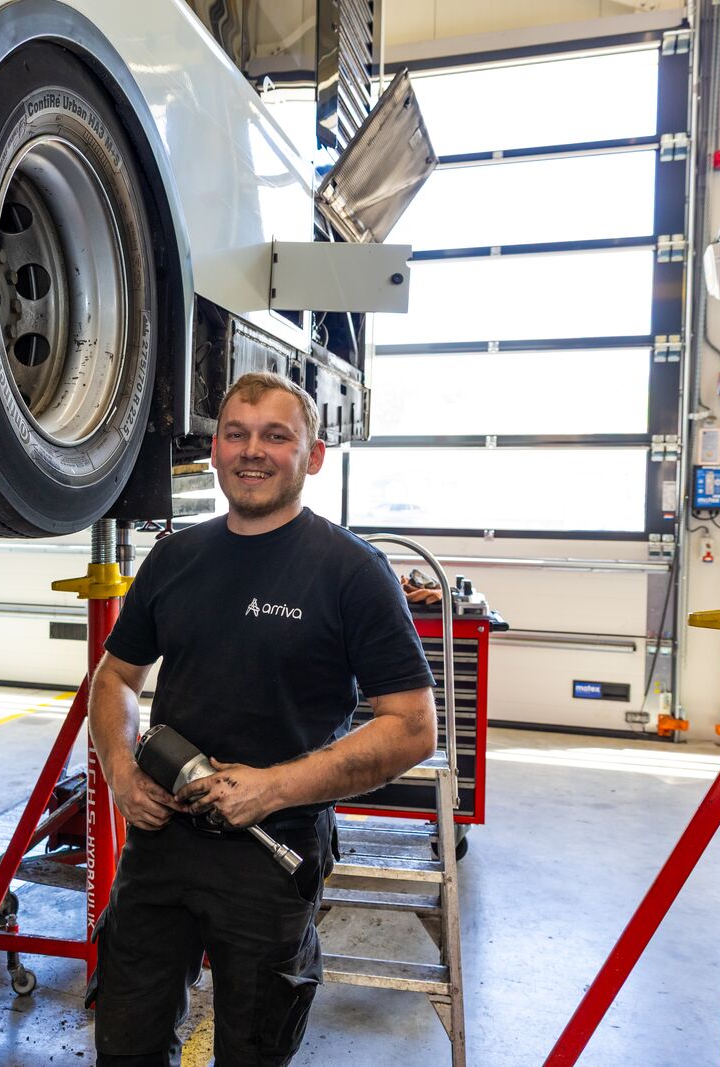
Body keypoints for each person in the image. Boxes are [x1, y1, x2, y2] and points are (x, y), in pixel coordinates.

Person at [88, 370, 438, 1066]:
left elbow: (412, 725)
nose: (253, 451)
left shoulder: (351, 571)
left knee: (252, 1051)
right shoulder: (175, 558)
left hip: (272, 853)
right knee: (125, 1045)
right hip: (160, 845)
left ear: (312, 455)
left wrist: (271, 788)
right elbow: (116, 678)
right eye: (236, 434)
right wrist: (122, 771)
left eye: (276, 436)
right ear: (214, 450)